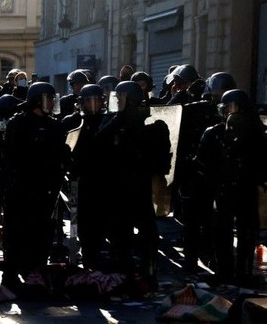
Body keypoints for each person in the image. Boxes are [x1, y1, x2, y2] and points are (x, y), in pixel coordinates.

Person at [94, 81, 171, 289]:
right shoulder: (118, 121)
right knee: (123, 233)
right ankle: (129, 275)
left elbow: (162, 157)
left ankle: (145, 274)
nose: (116, 102)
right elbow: (99, 142)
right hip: (121, 186)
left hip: (137, 185)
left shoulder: (150, 124)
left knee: (143, 234)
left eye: (120, 98)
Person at [0, 82, 69, 292]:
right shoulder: (17, 124)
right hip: (21, 190)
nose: (50, 104)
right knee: (16, 234)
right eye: (47, 99)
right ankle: (11, 276)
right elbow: (12, 157)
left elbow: (59, 156)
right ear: (36, 100)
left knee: (40, 234)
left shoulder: (54, 125)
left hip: (44, 190)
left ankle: (35, 275)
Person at [195, 89, 266, 285]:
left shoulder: (257, 133)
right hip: (225, 189)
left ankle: (242, 272)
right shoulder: (215, 133)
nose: (229, 112)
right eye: (227, 108)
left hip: (245, 188)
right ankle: (225, 271)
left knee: (246, 233)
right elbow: (202, 162)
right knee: (221, 232)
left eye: (232, 108)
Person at [175, 72, 237, 274]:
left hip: (218, 178)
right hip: (200, 176)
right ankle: (197, 262)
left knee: (217, 225)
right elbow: (183, 143)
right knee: (197, 223)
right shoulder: (195, 112)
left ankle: (217, 264)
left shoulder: (238, 118)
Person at [65, 84, 110, 269]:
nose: (94, 104)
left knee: (99, 220)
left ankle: (95, 253)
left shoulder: (107, 121)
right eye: (89, 100)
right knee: (79, 221)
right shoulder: (73, 122)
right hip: (79, 179)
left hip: (101, 178)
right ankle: (82, 253)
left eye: (97, 100)